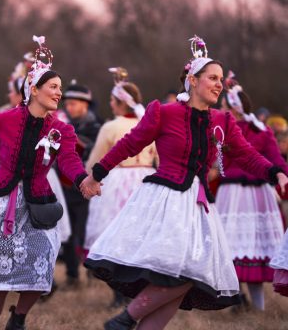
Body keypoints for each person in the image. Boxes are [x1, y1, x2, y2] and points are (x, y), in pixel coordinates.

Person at [83, 36, 288, 330]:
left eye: (220, 78)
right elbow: (130, 144)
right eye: (212, 78)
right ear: (193, 80)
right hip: (165, 200)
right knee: (178, 273)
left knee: (192, 275)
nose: (218, 84)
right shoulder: (163, 112)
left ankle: (125, 321)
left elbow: (247, 155)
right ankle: (126, 318)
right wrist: (96, 174)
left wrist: (275, 173)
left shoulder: (223, 121)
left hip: (199, 204)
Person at [0, 36, 91, 330]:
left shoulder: (62, 130)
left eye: (60, 88)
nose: (59, 93)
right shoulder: (3, 119)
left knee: (43, 267)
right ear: (33, 89)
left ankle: (19, 316)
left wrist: (82, 179)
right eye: (53, 87)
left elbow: (69, 161)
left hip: (38, 203)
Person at [83, 68, 157, 306]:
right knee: (139, 236)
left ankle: (119, 294)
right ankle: (136, 290)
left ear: (119, 103)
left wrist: (87, 177)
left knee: (113, 236)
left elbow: (95, 161)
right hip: (146, 179)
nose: (110, 104)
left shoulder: (111, 127)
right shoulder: (150, 124)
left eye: (112, 100)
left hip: (118, 180)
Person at [214, 72, 288, 311]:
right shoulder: (228, 129)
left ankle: (252, 306)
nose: (221, 109)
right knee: (238, 249)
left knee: (246, 249)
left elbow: (276, 161)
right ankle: (242, 303)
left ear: (234, 108)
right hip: (240, 195)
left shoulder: (255, 130)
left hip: (246, 196)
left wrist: (283, 175)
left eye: (224, 105)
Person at [58, 79, 101, 288]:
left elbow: (99, 153)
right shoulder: (63, 126)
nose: (69, 107)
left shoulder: (98, 126)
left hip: (88, 187)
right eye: (67, 103)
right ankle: (72, 275)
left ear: (85, 104)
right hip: (65, 186)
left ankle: (93, 272)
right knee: (66, 231)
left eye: (73, 103)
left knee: (84, 232)